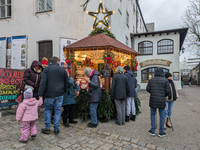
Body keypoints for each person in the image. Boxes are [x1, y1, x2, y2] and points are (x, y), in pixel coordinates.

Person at [38, 56, 69, 135]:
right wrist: (63, 91)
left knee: (48, 110)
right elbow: (67, 83)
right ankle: (56, 129)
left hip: (49, 94)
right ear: (58, 62)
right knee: (58, 111)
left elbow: (43, 82)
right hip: (59, 94)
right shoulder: (63, 70)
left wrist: (40, 94)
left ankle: (47, 128)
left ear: (50, 62)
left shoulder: (46, 70)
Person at [146, 67, 170, 137]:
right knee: (162, 116)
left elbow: (148, 89)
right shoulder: (165, 80)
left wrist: (153, 92)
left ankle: (153, 130)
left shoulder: (151, 80)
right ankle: (161, 132)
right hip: (161, 100)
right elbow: (167, 91)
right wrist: (163, 95)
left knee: (153, 115)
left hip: (153, 100)